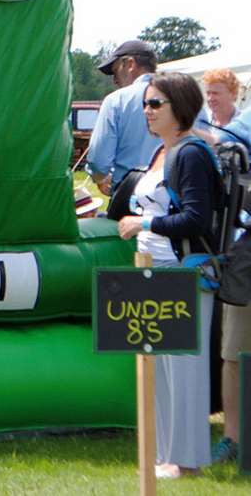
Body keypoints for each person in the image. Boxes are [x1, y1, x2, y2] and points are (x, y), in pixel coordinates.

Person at [117, 71, 220, 478]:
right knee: (158, 366)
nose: (147, 110)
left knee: (185, 370)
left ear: (179, 106)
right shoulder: (164, 151)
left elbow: (197, 218)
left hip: (184, 271)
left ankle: (188, 460)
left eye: (155, 103)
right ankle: (165, 455)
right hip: (153, 270)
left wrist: (142, 225)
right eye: (145, 102)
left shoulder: (190, 153)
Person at [201, 68, 250, 463]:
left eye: (217, 92)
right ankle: (232, 438)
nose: (212, 98)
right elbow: (227, 141)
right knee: (233, 352)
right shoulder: (243, 123)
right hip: (244, 254)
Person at [87, 40, 162, 196]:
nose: (115, 80)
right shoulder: (186, 96)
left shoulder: (116, 101)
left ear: (130, 64)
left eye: (115, 72)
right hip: (176, 201)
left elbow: (99, 162)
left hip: (129, 197)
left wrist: (101, 178)